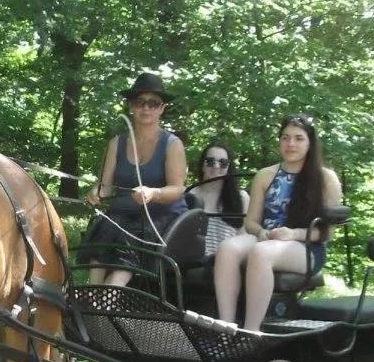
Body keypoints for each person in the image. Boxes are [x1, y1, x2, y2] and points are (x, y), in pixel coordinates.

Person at [213, 114, 343, 331]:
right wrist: (262, 231)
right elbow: (251, 223)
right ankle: (226, 328)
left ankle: (251, 332)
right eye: (285, 137)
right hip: (267, 238)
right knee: (227, 248)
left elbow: (327, 233)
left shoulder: (326, 178)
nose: (291, 144)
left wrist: (294, 234)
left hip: (306, 248)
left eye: (298, 138)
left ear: (310, 143)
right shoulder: (265, 175)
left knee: (261, 253)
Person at [83, 73, 188, 285]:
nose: (146, 108)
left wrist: (153, 193)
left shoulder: (172, 144)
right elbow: (104, 187)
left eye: (153, 103)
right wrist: (96, 193)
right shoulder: (117, 142)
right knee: (104, 228)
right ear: (132, 106)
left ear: (162, 107)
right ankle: (92, 292)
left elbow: (177, 189)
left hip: (160, 216)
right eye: (140, 102)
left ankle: (109, 294)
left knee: (129, 240)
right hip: (122, 212)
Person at [188, 141, 249, 258]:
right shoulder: (190, 195)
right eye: (210, 161)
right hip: (195, 266)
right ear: (202, 165)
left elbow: (244, 237)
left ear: (229, 167)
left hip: (229, 262)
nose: (216, 166)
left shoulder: (241, 198)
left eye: (223, 163)